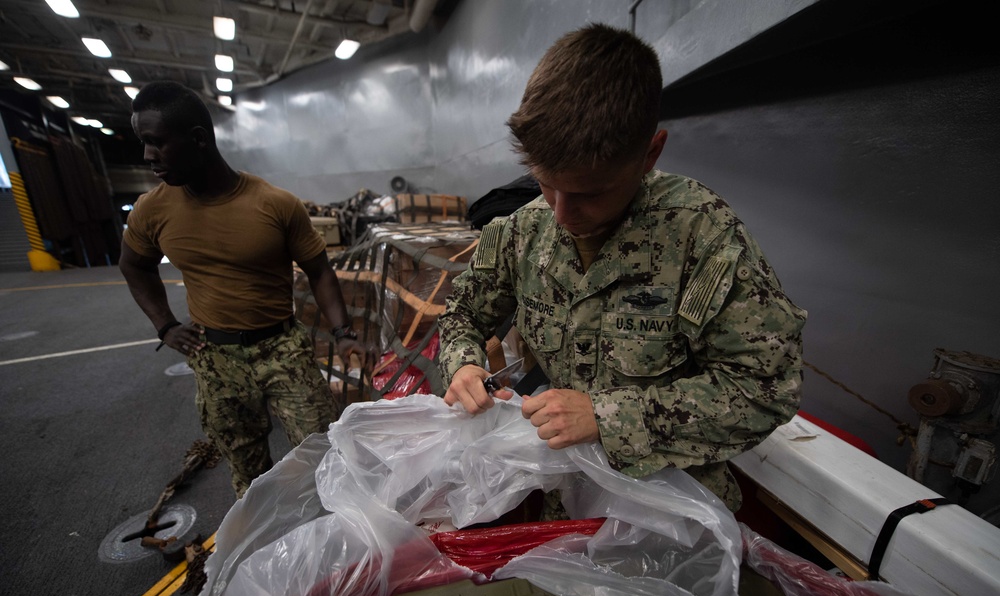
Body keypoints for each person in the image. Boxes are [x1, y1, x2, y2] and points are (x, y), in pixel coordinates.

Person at [438, 24, 807, 513]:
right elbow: (462, 314)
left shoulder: (702, 236)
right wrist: (463, 362)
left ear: (650, 154)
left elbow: (764, 389)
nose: (562, 215)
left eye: (590, 193)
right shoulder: (524, 230)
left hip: (669, 512)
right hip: (559, 498)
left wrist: (608, 416)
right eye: (545, 184)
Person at [120, 81, 361, 498]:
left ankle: (344, 549)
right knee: (247, 471)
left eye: (156, 142)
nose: (147, 155)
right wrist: (165, 326)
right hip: (214, 358)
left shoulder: (274, 203)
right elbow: (134, 266)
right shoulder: (152, 210)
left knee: (326, 453)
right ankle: (263, 550)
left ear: (198, 139)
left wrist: (343, 333)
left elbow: (319, 270)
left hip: (282, 349)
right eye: (143, 142)